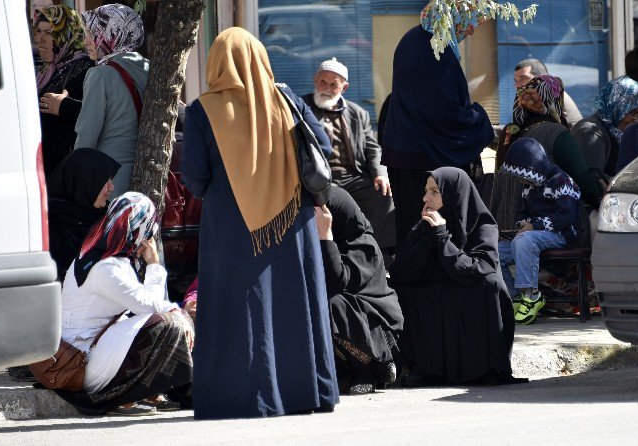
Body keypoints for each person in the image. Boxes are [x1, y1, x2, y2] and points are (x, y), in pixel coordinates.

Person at [181, 27, 339, 420]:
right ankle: (306, 392)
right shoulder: (287, 100)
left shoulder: (202, 111)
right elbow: (322, 147)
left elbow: (195, 178)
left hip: (232, 229)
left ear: (217, 62)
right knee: (294, 305)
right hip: (292, 222)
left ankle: (239, 398)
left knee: (241, 309)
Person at [56, 192, 194, 416]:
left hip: (92, 351)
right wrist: (154, 266)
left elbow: (147, 305)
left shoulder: (106, 258)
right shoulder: (105, 268)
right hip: (82, 362)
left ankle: (149, 391)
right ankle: (125, 395)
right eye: (148, 229)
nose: (148, 237)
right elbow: (150, 307)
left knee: (169, 320)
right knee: (166, 324)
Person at [382, 1, 499, 251]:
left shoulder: (413, 39)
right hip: (424, 158)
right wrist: (478, 117)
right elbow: (444, 113)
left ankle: (412, 284)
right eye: (469, 24)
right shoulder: (435, 49)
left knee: (410, 227)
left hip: (402, 151)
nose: (470, 32)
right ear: (454, 19)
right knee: (432, 228)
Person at [389, 167, 518, 386]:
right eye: (426, 191)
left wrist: (442, 238)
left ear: (453, 194)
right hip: (438, 295)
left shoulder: (483, 227)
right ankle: (424, 367)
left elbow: (478, 269)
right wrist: (430, 236)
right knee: (400, 289)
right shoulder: (424, 226)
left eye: (434, 191)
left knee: (490, 285)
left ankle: (483, 367)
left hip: (467, 289)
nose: (425, 197)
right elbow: (402, 272)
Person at [302, 59, 395, 257]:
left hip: (353, 177)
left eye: (333, 84)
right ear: (315, 81)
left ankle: (378, 253)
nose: (326, 88)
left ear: (344, 87)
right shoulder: (303, 108)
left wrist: (381, 174)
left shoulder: (357, 112)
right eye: (322, 82)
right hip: (320, 178)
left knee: (384, 195)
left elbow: (372, 147)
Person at [314, 187, 403, 395]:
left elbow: (335, 281)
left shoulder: (362, 245)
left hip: (377, 328)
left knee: (331, 304)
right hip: (352, 324)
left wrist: (326, 236)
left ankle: (367, 370)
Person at [490, 75, 604, 231]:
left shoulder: (509, 133)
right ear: (554, 101)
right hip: (537, 230)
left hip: (502, 225)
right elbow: (582, 178)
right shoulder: (556, 133)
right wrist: (602, 198)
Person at [498, 138, 582, 325]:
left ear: (532, 167)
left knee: (525, 240)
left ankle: (531, 295)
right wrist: (522, 224)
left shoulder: (561, 181)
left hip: (562, 235)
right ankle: (515, 298)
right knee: (494, 252)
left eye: (521, 175)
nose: (520, 180)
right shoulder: (530, 186)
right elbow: (524, 213)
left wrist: (534, 226)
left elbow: (565, 217)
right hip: (536, 236)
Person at [74, 4, 148, 197]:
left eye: (92, 33)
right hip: (146, 176)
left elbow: (87, 135)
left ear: (112, 34)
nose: (87, 41)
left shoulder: (100, 74)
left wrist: (75, 177)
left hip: (109, 181)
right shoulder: (149, 69)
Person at [33, 5, 94, 178]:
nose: (40, 39)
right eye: (38, 31)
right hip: (44, 167)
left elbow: (97, 114)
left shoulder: (84, 69)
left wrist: (64, 106)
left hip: (65, 172)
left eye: (49, 33)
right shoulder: (46, 71)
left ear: (67, 34)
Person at [47, 149, 120, 282]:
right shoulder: (52, 224)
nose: (111, 187)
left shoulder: (108, 216)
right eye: (105, 180)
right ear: (85, 181)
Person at [571, 76, 638, 177]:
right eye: (632, 113)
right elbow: (592, 182)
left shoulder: (619, 132)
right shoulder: (590, 133)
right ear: (616, 107)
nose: (637, 120)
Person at [513, 59, 583, 127]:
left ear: (541, 77)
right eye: (516, 81)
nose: (517, 85)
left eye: (523, 78)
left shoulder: (547, 95)